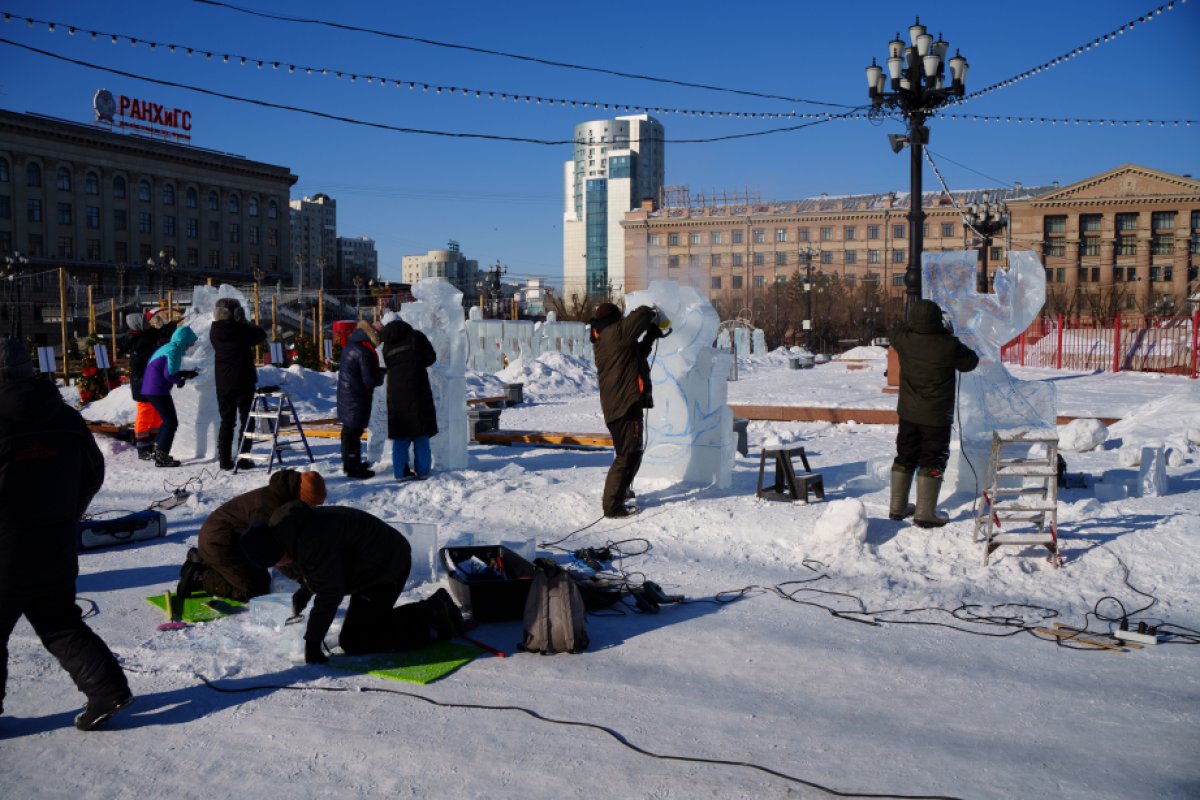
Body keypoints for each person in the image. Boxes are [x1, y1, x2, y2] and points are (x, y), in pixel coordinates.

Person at [0, 338, 133, 730]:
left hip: (6, 546)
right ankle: (108, 690)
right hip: (54, 541)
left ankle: (108, 692)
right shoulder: (64, 416)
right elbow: (93, 472)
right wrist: (65, 515)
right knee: (59, 620)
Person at [240, 501, 464, 664]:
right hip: (370, 563)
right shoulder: (290, 531)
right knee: (358, 629)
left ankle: (430, 615)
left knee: (356, 640)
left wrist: (312, 642)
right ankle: (434, 608)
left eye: (277, 562)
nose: (280, 567)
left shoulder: (309, 542)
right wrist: (306, 589)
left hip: (386, 568)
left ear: (276, 550)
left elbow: (330, 591)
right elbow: (322, 568)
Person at [888, 299, 980, 527]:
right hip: (936, 417)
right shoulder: (947, 345)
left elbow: (896, 331)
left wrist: (912, 324)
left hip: (908, 414)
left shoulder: (904, 339)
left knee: (905, 456)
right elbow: (971, 362)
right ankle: (925, 512)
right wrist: (947, 332)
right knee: (933, 460)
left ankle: (897, 507)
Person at [176, 469, 327, 602]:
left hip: (231, 539)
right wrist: (302, 577)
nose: (312, 509)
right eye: (311, 504)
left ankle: (203, 558)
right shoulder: (271, 509)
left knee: (261, 578)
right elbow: (271, 551)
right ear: (301, 497)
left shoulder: (284, 494)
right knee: (255, 590)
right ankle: (201, 576)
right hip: (219, 543)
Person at [588, 301, 668, 518]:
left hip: (623, 404)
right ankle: (612, 505)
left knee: (632, 452)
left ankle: (620, 492)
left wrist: (651, 334)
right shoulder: (614, 333)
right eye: (621, 317)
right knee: (627, 455)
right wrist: (654, 308)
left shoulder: (612, 338)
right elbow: (639, 315)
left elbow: (637, 354)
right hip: (623, 406)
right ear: (615, 319)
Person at [209, 298, 268, 471]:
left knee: (227, 421)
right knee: (246, 420)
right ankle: (243, 458)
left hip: (223, 382)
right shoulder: (240, 330)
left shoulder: (215, 330)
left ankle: (224, 460)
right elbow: (260, 335)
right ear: (235, 313)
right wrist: (244, 322)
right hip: (243, 380)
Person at [380, 316, 438, 480]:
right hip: (417, 390)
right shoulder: (416, 337)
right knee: (420, 434)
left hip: (396, 394)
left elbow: (388, 365)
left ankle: (400, 472)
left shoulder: (387, 345)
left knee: (400, 435)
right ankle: (423, 471)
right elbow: (431, 358)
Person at [119, 311, 176, 460]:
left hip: (151, 382)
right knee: (145, 414)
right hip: (141, 382)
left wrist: (169, 327)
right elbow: (142, 358)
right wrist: (157, 345)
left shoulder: (147, 334)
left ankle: (153, 443)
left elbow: (158, 334)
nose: (148, 323)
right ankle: (143, 446)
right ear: (138, 325)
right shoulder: (137, 341)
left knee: (156, 414)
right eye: (145, 322)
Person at [140, 324, 198, 468]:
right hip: (157, 389)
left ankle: (157, 451)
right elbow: (169, 374)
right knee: (171, 422)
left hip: (152, 388)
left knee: (166, 421)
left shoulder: (168, 347)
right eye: (190, 342)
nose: (191, 345)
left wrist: (183, 374)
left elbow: (165, 368)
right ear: (184, 340)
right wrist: (180, 380)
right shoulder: (174, 350)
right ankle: (162, 456)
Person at [336, 321, 384, 479]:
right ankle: (352, 467)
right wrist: (382, 376)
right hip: (356, 397)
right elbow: (369, 380)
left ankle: (351, 463)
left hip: (349, 394)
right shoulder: (364, 351)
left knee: (350, 431)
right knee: (352, 433)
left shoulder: (354, 345)